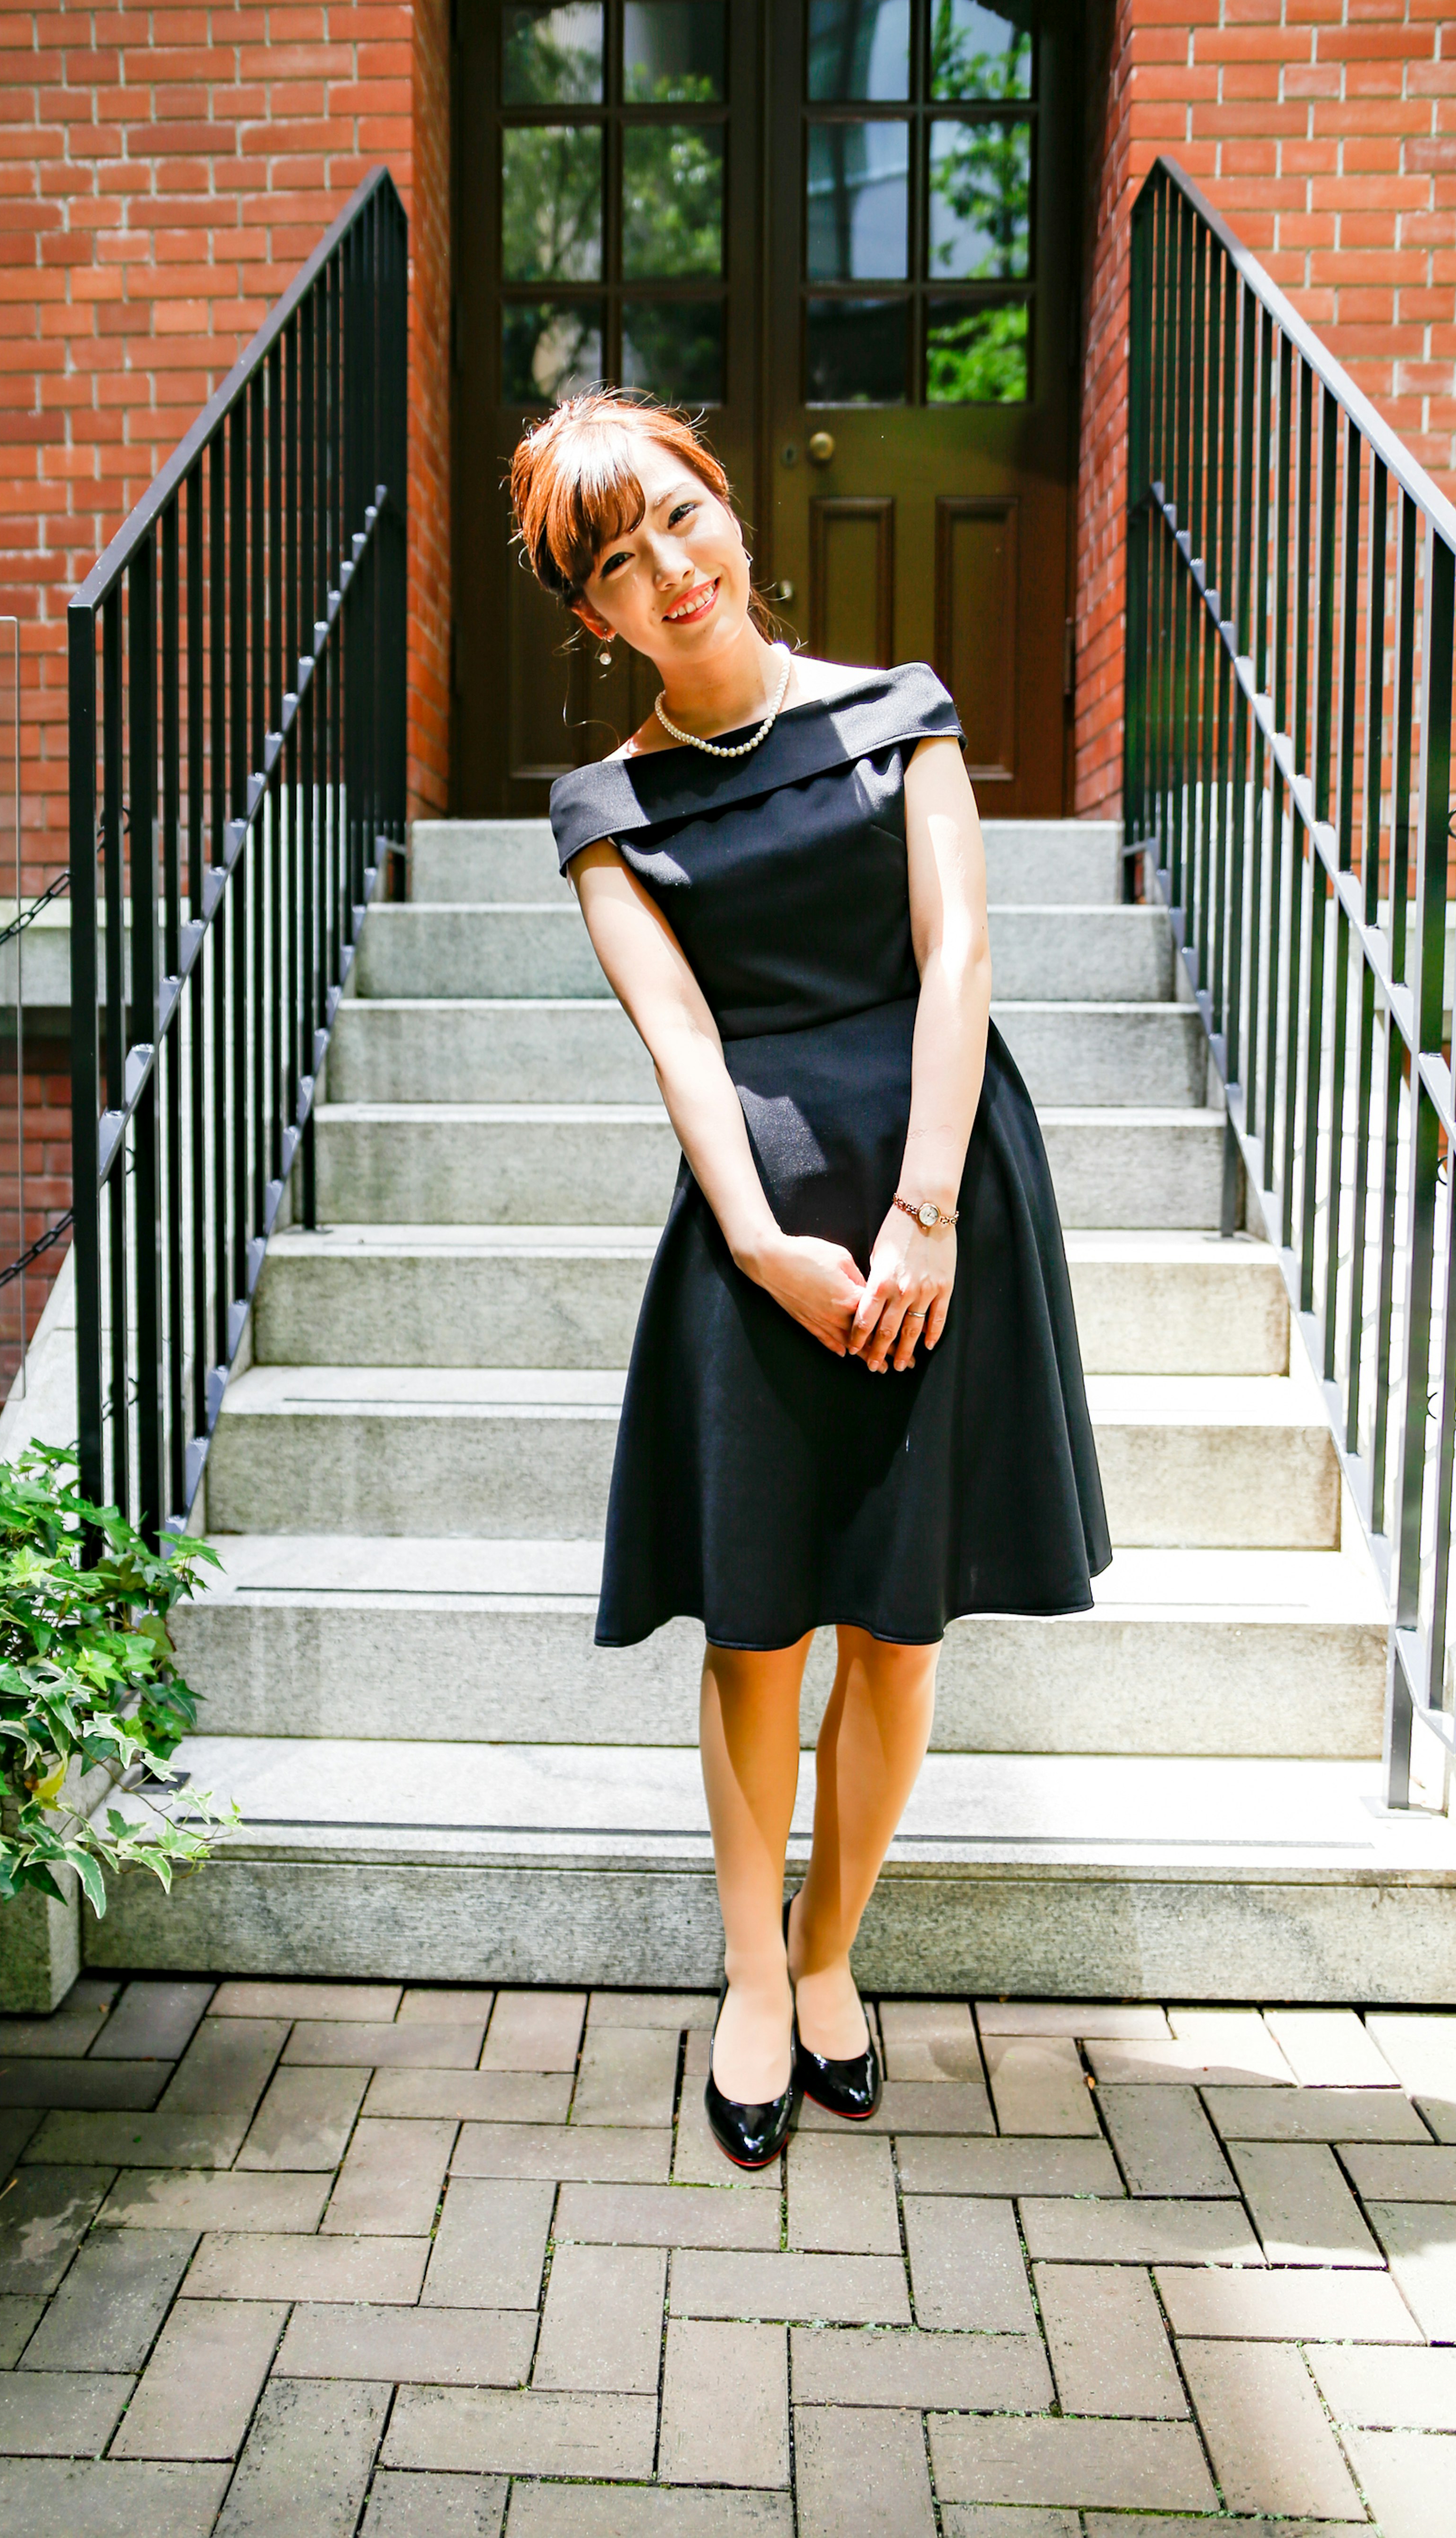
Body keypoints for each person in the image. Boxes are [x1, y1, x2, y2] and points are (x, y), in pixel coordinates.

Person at [522, 391, 1109, 2169]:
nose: (670, 572)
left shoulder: (897, 714)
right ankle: (752, 1983)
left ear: (731, 508)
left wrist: (925, 1210)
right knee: (759, 1628)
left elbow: (960, 956)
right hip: (761, 1231)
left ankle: (837, 1953)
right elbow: (685, 1041)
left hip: (945, 1202)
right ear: (596, 618)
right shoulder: (605, 809)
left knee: (902, 1629)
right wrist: (763, 1244)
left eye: (679, 522)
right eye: (618, 565)